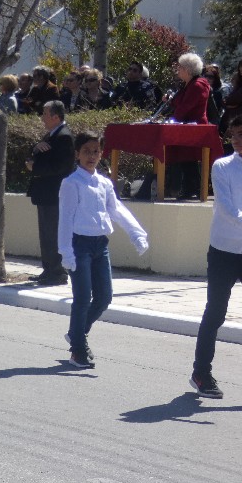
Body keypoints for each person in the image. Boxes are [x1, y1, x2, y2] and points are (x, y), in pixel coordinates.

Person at [58, 132, 149, 368]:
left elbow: (117, 210)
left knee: (104, 296)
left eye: (96, 151)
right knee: (82, 297)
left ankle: (78, 333)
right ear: (77, 154)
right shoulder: (71, 183)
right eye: (86, 151)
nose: (92, 156)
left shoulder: (104, 183)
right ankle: (78, 348)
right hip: (80, 245)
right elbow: (65, 220)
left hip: (101, 245)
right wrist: (66, 251)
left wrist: (136, 233)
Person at [189, 111, 242, 399]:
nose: (235, 139)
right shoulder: (223, 167)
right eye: (233, 134)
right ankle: (201, 373)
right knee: (215, 312)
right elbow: (228, 210)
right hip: (224, 251)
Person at [26, 100, 76, 286]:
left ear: (56, 116)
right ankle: (48, 269)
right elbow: (36, 154)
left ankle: (57, 272)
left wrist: (35, 166)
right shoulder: (51, 135)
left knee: (54, 233)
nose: (42, 117)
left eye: (45, 114)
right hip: (45, 193)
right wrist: (35, 149)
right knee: (46, 234)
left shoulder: (64, 136)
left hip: (55, 193)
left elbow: (61, 166)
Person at [169, 53, 210, 200]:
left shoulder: (198, 85)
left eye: (180, 67)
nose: (178, 70)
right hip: (185, 126)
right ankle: (189, 188)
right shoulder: (188, 84)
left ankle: (192, 189)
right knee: (184, 158)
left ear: (187, 69)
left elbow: (185, 106)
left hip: (194, 127)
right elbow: (178, 102)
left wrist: (172, 120)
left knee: (190, 158)